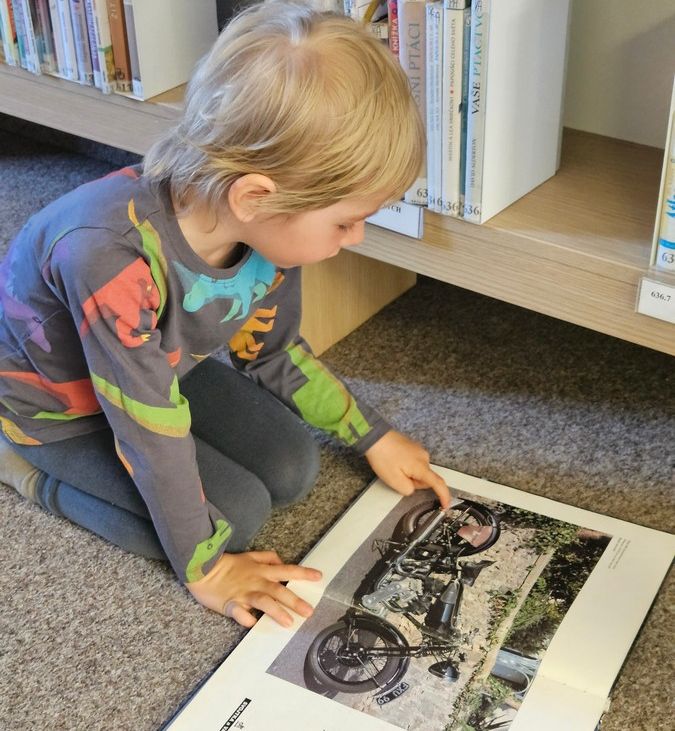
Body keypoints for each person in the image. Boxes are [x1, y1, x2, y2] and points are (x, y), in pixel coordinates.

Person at [0, 0, 449, 628]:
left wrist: (371, 434)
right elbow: (146, 429)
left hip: (157, 368)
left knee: (293, 468)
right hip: (59, 411)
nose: (356, 239)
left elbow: (273, 350)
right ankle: (24, 471)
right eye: (347, 222)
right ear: (255, 197)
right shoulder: (105, 257)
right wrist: (206, 568)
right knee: (231, 520)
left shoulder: (265, 228)